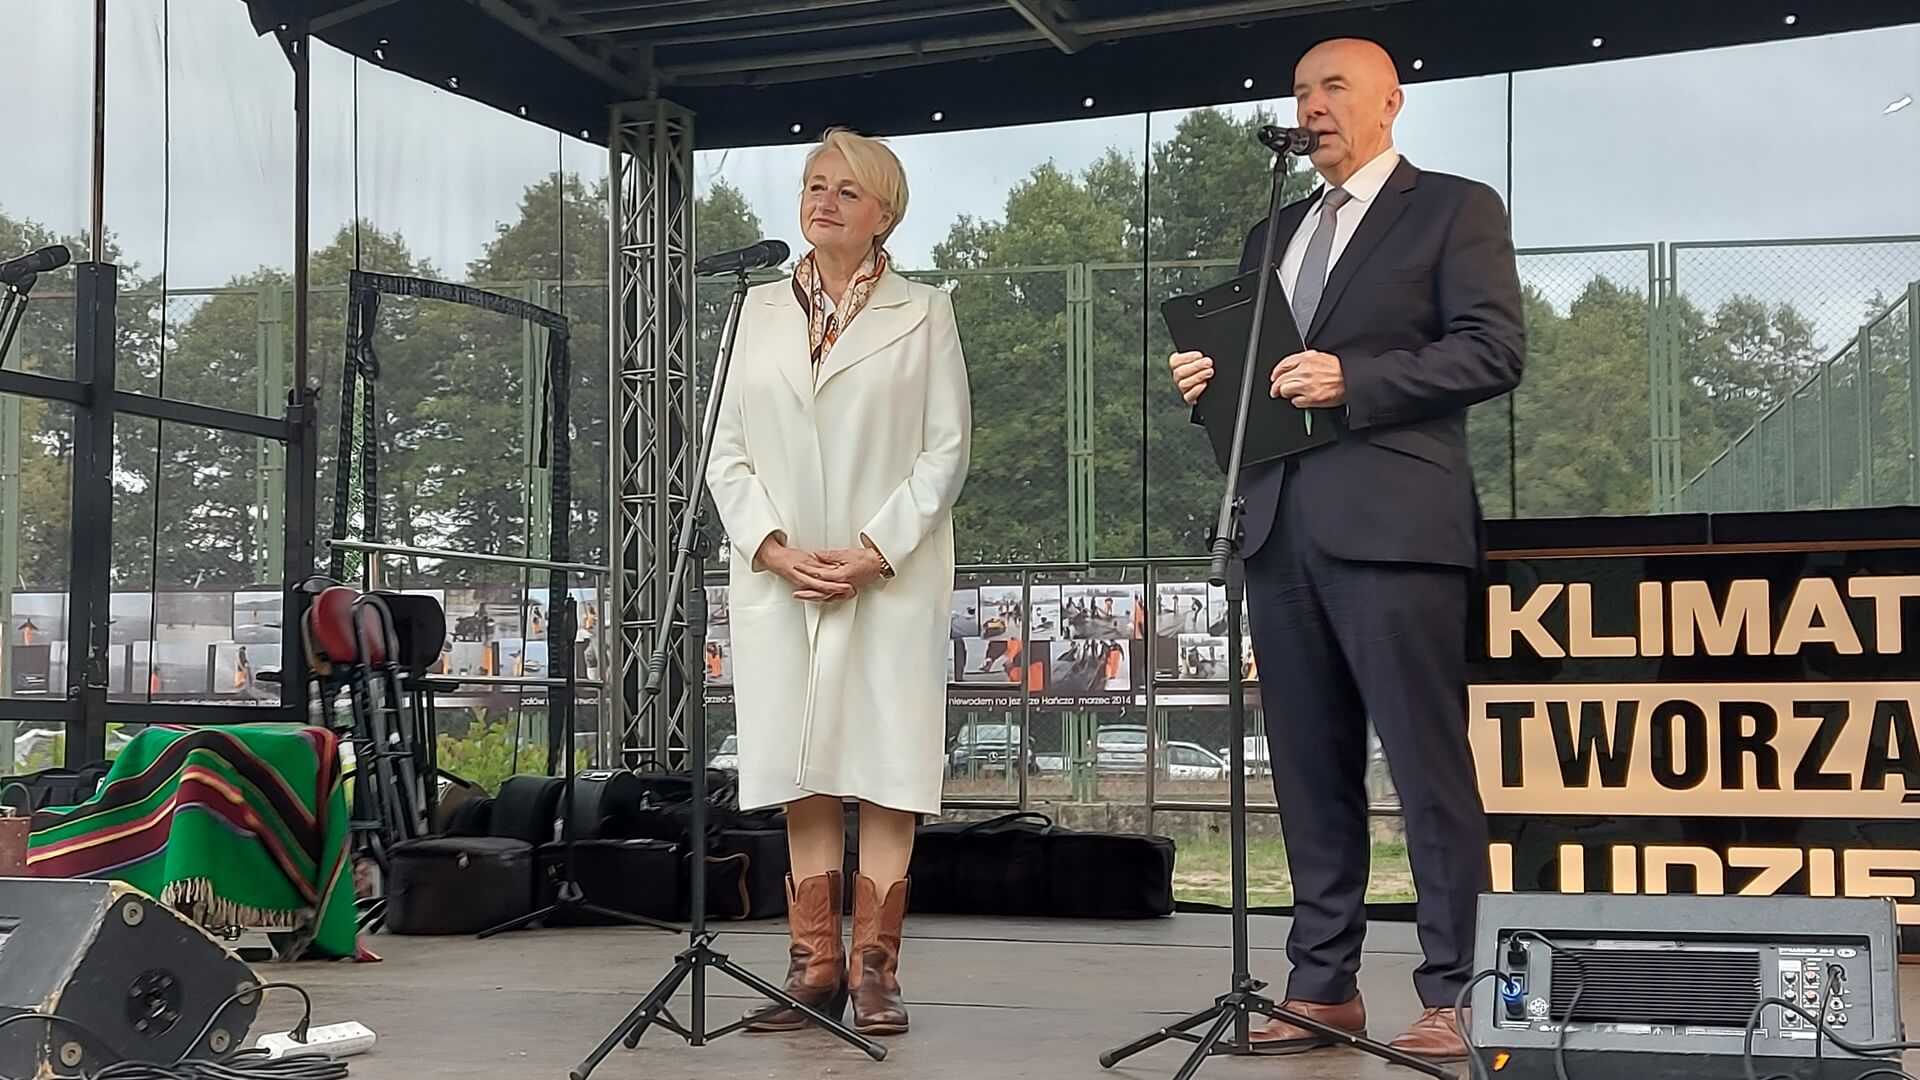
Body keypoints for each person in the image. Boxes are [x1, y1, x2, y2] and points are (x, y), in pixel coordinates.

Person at [1167, 37, 1525, 1061]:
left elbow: (1494, 349)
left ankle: (1461, 988)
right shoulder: (1272, 231)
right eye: (1300, 91)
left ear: (1390, 102)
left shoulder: (1453, 208)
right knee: (1307, 772)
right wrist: (1210, 389)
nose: (1312, 105)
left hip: (1396, 528)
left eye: (1333, 87)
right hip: (1278, 526)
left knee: (1424, 768)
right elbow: (1265, 386)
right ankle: (1321, 986)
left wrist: (1352, 380)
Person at [706, 127, 973, 1038]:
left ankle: (875, 974)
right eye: (814, 184)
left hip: (886, 578)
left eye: (847, 190)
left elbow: (945, 453)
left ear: (884, 214)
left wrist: (873, 550)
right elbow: (726, 453)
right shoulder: (753, 310)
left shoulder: (925, 312)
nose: (824, 201)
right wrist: (773, 548)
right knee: (805, 772)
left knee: (888, 771)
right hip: (781, 580)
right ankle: (812, 969)